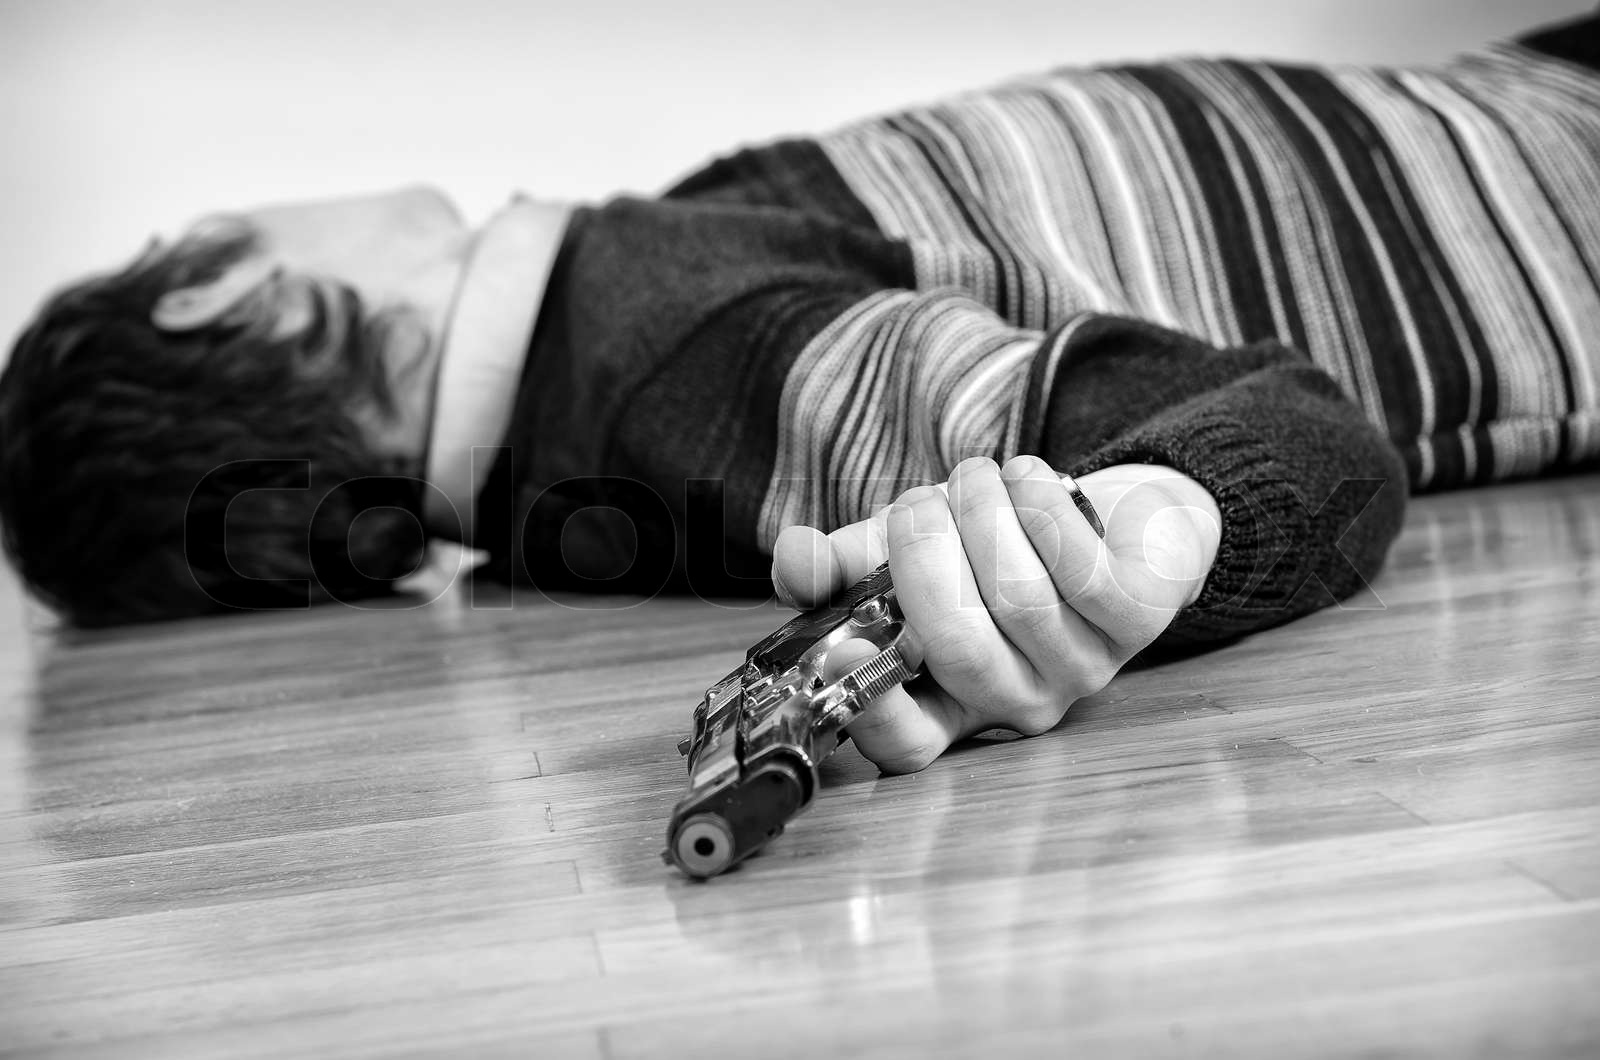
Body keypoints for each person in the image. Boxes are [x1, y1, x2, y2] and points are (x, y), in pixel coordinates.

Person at [1, 13, 1595, 772]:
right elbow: (1303, 434)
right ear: (209, 277)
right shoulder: (676, 358)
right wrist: (1162, 527)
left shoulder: (582, 428)